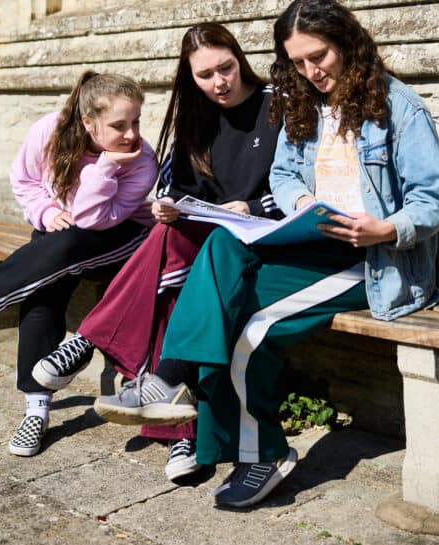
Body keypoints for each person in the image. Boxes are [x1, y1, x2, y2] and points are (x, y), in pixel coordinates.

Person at [92, 0, 439, 508]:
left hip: (372, 260)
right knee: (224, 243)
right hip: (311, 241)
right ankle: (170, 383)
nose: (310, 71)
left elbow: (431, 201)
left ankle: (259, 453)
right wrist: (300, 203)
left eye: (318, 56)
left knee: (251, 331)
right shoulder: (307, 105)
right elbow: (285, 174)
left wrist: (384, 227)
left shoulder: (399, 108)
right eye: (297, 63)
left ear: (347, 43)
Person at [29, 23, 283, 480]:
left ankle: (91, 341)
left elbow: (298, 185)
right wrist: (171, 206)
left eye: (225, 68)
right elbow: (185, 190)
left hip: (257, 236)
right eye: (205, 75)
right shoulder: (196, 116)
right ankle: (179, 431)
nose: (218, 82)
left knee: (170, 273)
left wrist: (252, 205)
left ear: (240, 59)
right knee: (167, 255)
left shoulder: (276, 104)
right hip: (202, 234)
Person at [0, 71, 158, 457]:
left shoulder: (140, 161)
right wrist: (45, 211)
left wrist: (107, 165)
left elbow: (94, 220)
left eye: (136, 121)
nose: (131, 133)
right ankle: (36, 409)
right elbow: (24, 181)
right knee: (42, 292)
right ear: (88, 122)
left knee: (66, 244)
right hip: (62, 237)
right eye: (119, 125)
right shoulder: (51, 131)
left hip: (119, 242)